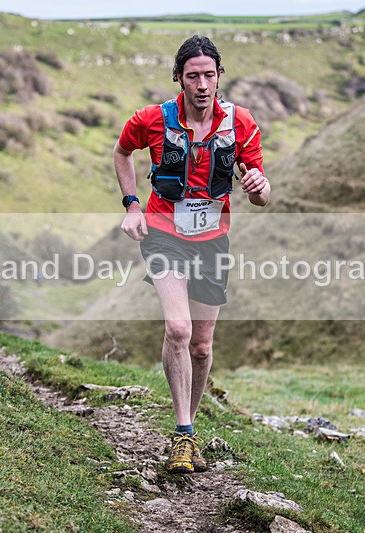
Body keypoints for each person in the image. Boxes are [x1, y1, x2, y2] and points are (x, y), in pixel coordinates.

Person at [114, 35, 270, 474]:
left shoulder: (240, 123)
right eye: (192, 75)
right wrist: (131, 205)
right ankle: (183, 434)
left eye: (209, 74)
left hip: (213, 240)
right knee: (178, 329)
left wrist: (260, 187)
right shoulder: (152, 119)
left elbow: (260, 188)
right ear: (179, 78)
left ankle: (189, 429)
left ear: (220, 76)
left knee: (201, 347)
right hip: (164, 233)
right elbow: (122, 152)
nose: (201, 84)